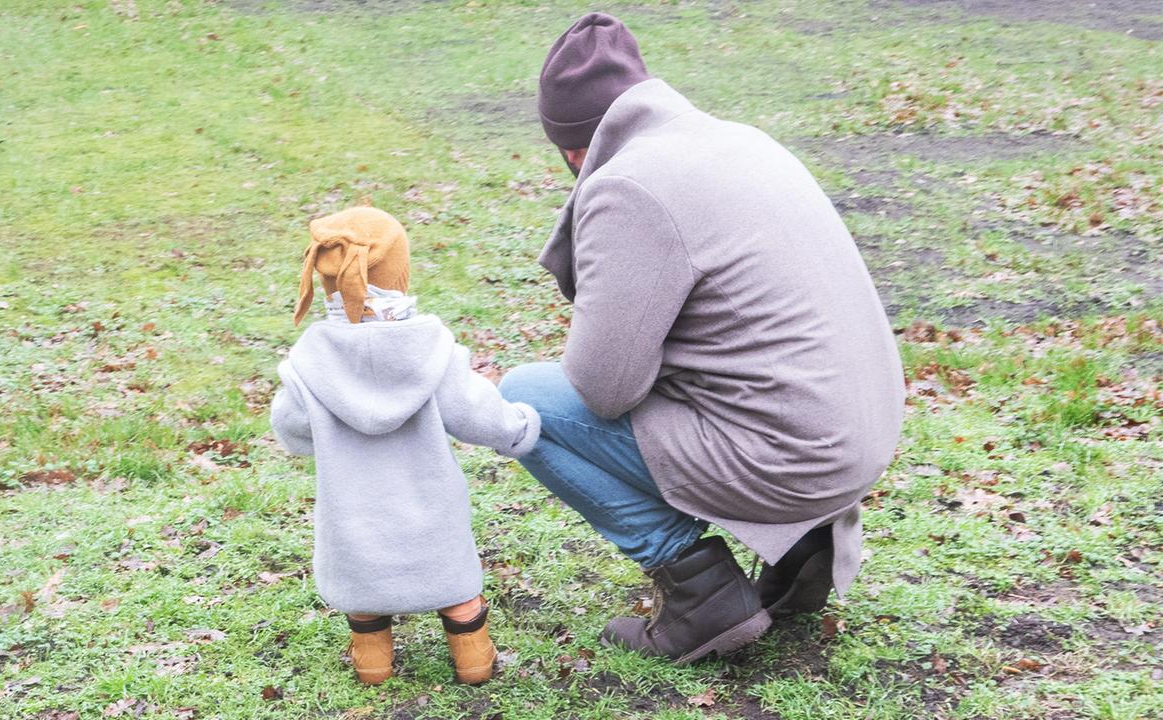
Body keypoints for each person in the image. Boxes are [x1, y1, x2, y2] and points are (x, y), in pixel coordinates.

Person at [498, 13, 905, 663]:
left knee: (525, 403)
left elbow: (603, 388)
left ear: (574, 147)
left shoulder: (628, 183)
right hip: (857, 437)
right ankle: (804, 544)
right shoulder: (738, 140)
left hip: (794, 455)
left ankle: (700, 593)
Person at [270, 206, 542, 684]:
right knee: (457, 592)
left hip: (353, 514)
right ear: (399, 271)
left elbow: (291, 430)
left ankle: (373, 662)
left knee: (364, 593)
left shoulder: (310, 363)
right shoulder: (431, 348)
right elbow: (474, 413)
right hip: (430, 511)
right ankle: (473, 659)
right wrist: (518, 427)